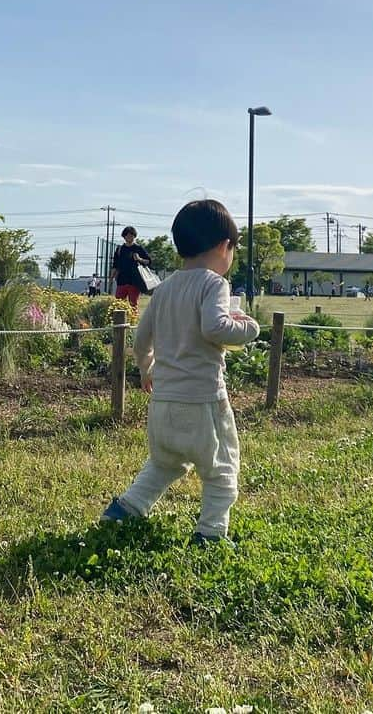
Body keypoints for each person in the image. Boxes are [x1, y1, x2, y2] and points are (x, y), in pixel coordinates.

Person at [101, 199, 259, 544]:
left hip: (163, 403)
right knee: (221, 469)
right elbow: (216, 328)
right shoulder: (214, 284)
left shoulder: (164, 288)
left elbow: (142, 339)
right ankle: (212, 533)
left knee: (163, 464)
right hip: (203, 402)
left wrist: (147, 369)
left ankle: (125, 509)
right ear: (224, 246)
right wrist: (248, 328)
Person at [112, 226, 152, 310]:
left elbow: (149, 261)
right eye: (127, 235)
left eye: (131, 235)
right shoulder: (119, 249)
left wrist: (139, 259)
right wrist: (111, 277)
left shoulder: (138, 248)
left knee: (133, 305)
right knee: (118, 305)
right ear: (124, 236)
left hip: (135, 281)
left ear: (134, 236)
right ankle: (119, 322)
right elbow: (115, 265)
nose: (129, 237)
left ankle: (133, 321)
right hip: (121, 281)